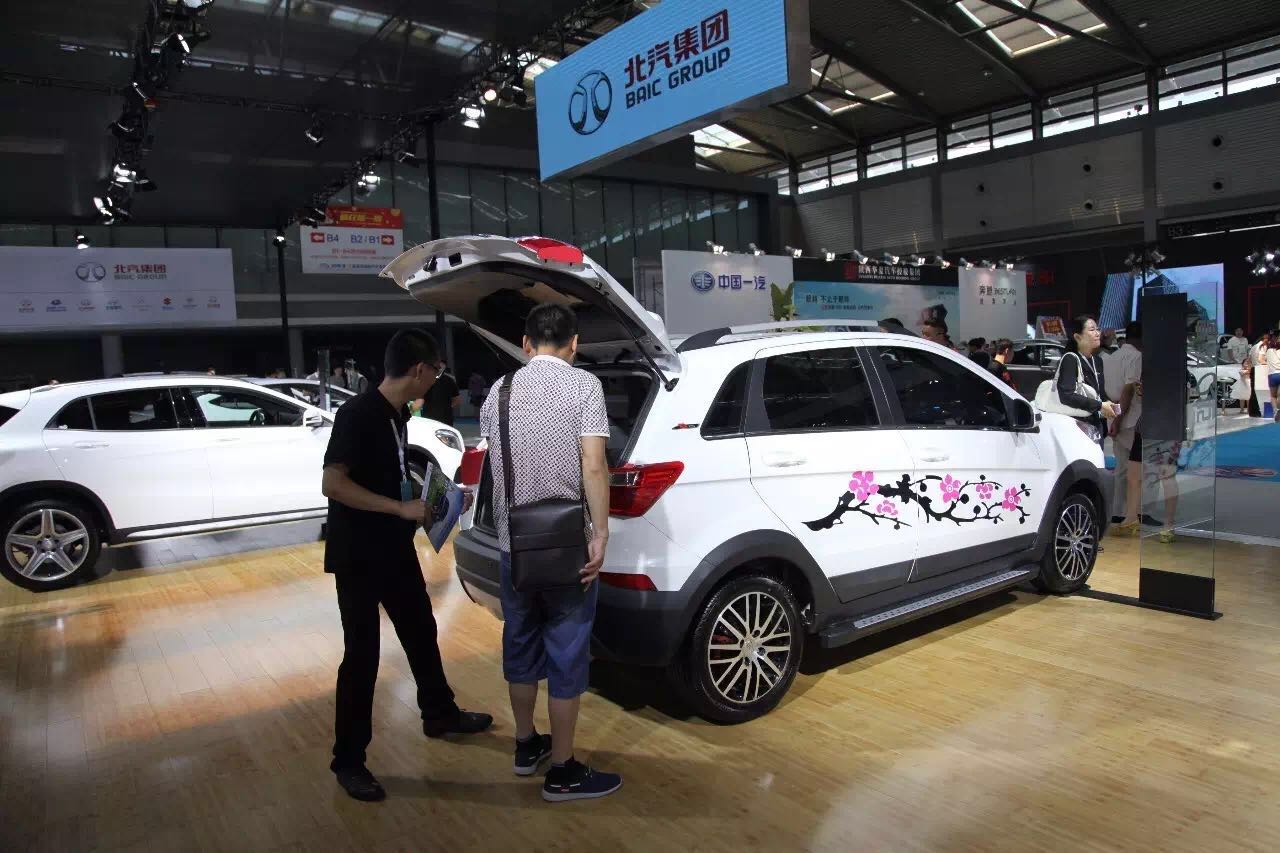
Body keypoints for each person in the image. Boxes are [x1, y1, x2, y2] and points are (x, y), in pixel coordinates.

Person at [321, 329, 491, 802]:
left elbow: (388, 475)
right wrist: (399, 508)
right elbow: (333, 483)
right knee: (362, 657)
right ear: (419, 370)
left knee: (420, 629)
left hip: (393, 548)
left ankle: (439, 712)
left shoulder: (397, 414)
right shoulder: (357, 414)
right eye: (436, 372)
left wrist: (431, 500)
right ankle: (348, 760)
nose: (437, 380)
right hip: (358, 555)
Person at [478, 303, 621, 803]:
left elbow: (497, 463)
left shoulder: (498, 391)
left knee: (519, 641)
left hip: (513, 547)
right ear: (574, 344)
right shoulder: (585, 388)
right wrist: (600, 533)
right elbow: (594, 466)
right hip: (567, 550)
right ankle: (562, 770)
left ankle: (525, 745)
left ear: (525, 344)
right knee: (566, 650)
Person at [1057, 315, 1118, 448]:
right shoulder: (1070, 359)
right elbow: (1066, 395)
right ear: (1078, 337)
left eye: (1097, 329)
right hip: (1076, 425)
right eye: (1092, 330)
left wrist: (1109, 406)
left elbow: (1098, 392)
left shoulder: (1097, 361)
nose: (1097, 333)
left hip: (1096, 424)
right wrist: (1100, 405)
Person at [1104, 322, 1143, 526]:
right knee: (1137, 469)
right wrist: (1118, 420)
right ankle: (1134, 513)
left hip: (1114, 416)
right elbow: (1127, 391)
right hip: (1129, 419)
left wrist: (1114, 419)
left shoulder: (1111, 357)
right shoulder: (1136, 357)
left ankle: (1118, 511)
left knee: (1121, 468)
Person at [419, 359, 460, 426]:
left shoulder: (449, 380)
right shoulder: (424, 379)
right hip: (430, 417)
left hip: (444, 418)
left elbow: (456, 399)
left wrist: (446, 408)